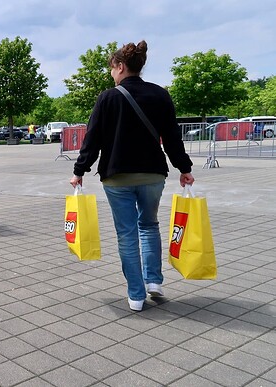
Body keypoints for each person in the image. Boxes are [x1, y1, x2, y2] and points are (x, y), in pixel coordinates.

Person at [69, 41, 194, 312]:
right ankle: (154, 282)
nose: (112, 74)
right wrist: (184, 168)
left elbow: (93, 139)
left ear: (121, 67)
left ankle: (136, 296)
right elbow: (173, 138)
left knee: (126, 235)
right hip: (152, 175)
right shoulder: (160, 95)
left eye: (112, 69)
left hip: (117, 177)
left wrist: (79, 171)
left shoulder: (108, 98)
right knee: (149, 225)